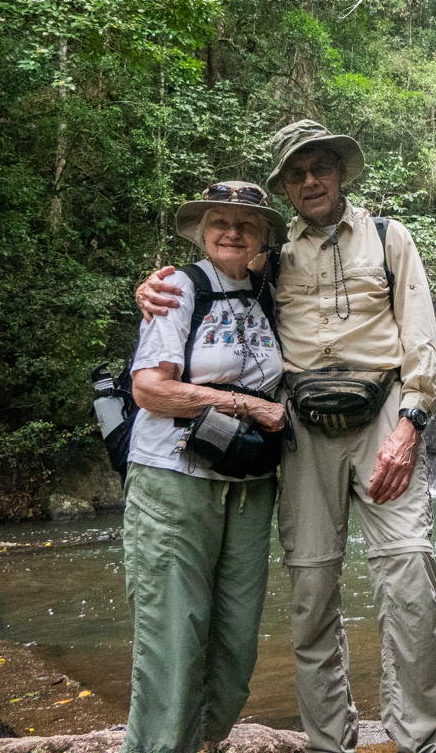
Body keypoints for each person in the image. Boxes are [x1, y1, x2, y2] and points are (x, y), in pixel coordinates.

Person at [136, 122, 436, 753]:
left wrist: (411, 424)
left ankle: (419, 737)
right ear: (285, 186)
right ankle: (331, 741)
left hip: (385, 417)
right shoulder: (269, 257)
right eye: (296, 173)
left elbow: (420, 336)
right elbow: (214, 274)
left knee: (409, 576)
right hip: (300, 427)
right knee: (310, 590)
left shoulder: (389, 237)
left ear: (340, 173)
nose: (310, 181)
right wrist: (152, 288)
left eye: (320, 168)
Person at [123, 181, 287, 753]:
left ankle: (201, 744)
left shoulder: (271, 292)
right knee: (173, 640)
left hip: (248, 486)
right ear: (201, 230)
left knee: (235, 647)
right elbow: (149, 389)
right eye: (220, 221)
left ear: (263, 237)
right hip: (173, 478)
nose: (232, 232)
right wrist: (247, 405)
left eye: (247, 224)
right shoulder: (177, 288)